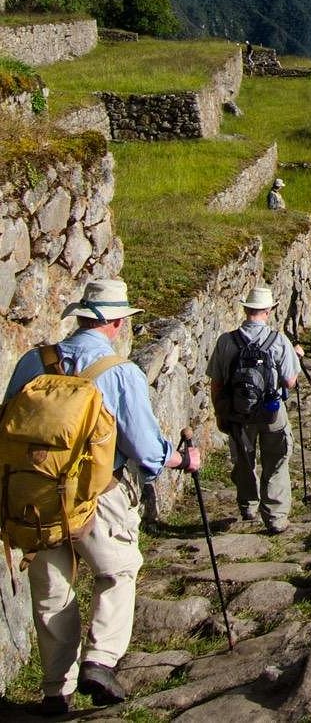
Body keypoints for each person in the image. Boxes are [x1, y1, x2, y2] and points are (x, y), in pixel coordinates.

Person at [3, 278, 201, 715]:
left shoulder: (33, 362)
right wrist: (181, 460)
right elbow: (147, 451)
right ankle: (101, 659)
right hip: (98, 493)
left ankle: (57, 689)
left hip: (37, 495)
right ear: (113, 322)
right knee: (118, 571)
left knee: (52, 588)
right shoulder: (119, 372)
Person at [206, 286, 301, 536]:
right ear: (268, 311)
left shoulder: (227, 341)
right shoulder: (278, 340)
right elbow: (290, 381)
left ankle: (248, 505)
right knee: (277, 459)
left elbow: (216, 382)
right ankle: (276, 516)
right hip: (271, 410)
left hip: (238, 412)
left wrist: (220, 412)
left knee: (244, 459)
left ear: (246, 309)